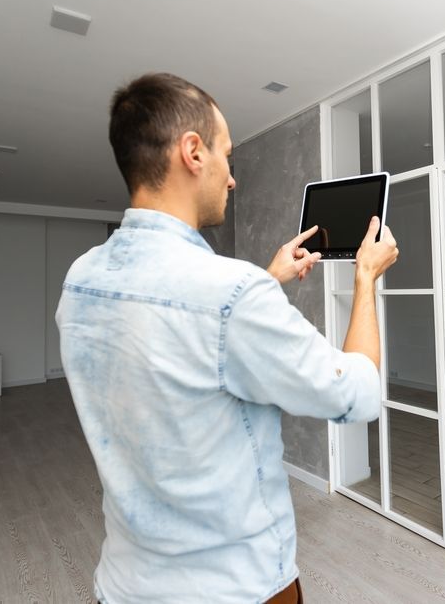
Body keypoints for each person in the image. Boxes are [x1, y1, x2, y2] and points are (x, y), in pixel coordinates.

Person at [56, 72, 398, 603]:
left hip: (124, 585)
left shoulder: (81, 279)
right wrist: (365, 278)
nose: (232, 177)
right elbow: (358, 394)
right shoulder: (231, 295)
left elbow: (182, 338)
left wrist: (266, 279)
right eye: (227, 156)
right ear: (193, 152)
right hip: (236, 589)